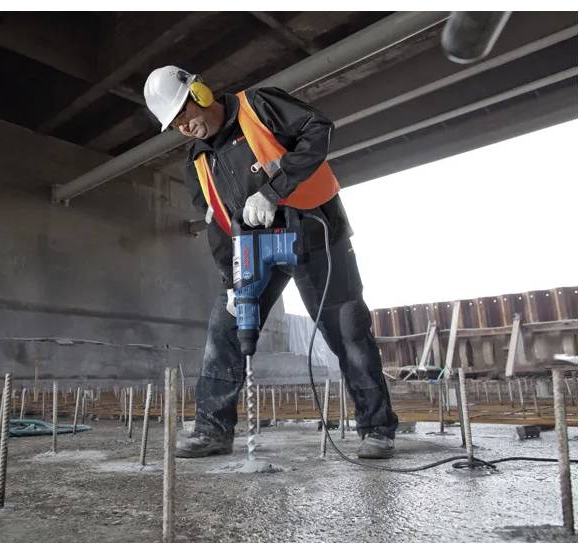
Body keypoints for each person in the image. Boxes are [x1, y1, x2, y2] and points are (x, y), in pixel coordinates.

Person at [143, 66, 399, 459]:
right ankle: (212, 431)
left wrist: (273, 191)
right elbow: (218, 223)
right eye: (175, 125)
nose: (184, 128)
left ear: (201, 94)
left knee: (346, 328)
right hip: (253, 250)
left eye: (184, 115)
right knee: (225, 327)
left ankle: (377, 429)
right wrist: (231, 283)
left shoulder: (259, 106)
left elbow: (318, 129)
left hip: (314, 236)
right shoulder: (198, 160)